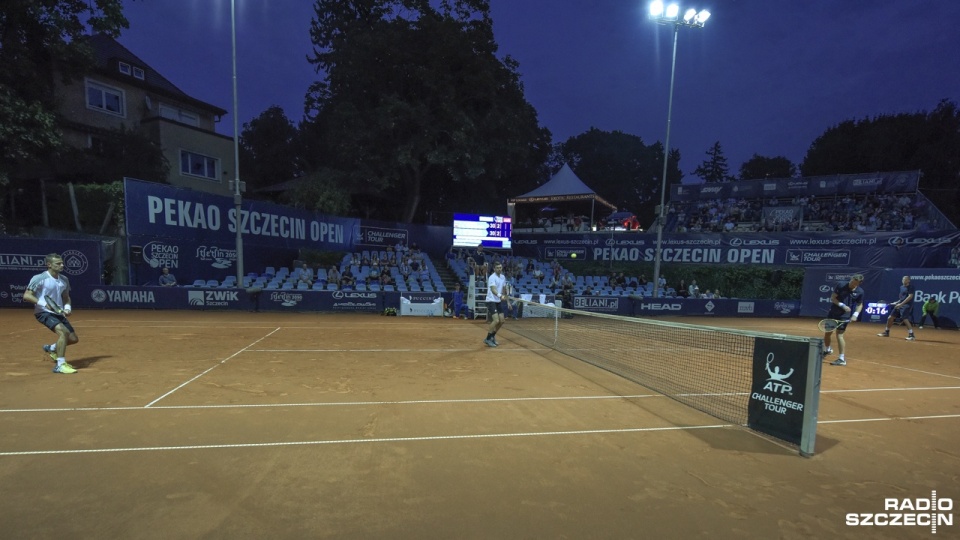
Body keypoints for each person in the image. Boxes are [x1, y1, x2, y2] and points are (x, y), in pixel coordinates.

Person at [23, 253, 80, 374]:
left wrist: (68, 308)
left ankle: (51, 348)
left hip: (58, 313)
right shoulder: (39, 278)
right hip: (43, 312)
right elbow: (27, 295)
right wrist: (44, 304)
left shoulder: (64, 279)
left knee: (74, 339)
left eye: (62, 263)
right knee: (63, 332)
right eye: (58, 263)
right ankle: (60, 365)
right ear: (49, 265)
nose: (62, 265)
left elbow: (66, 297)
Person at [824, 273, 864, 366]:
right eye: (851, 282)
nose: (852, 284)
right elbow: (833, 298)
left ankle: (842, 359)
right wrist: (842, 305)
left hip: (844, 316)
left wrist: (855, 314)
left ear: (859, 283)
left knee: (839, 335)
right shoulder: (841, 285)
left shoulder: (860, 292)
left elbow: (860, 304)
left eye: (854, 283)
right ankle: (827, 349)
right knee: (827, 333)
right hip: (833, 313)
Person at [878, 275, 916, 341]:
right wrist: (896, 302)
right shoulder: (901, 287)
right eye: (903, 279)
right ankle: (886, 332)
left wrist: (901, 304)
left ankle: (911, 335)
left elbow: (910, 297)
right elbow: (901, 298)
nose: (903, 280)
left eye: (905, 279)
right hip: (900, 304)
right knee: (890, 317)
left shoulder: (911, 287)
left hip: (907, 305)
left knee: (905, 319)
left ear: (909, 280)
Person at [483, 262, 508, 347]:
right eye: (497, 268)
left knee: (502, 321)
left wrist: (507, 300)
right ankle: (487, 338)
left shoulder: (503, 277)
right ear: (494, 269)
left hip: (498, 301)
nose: (499, 269)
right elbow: (493, 290)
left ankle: (492, 336)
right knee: (496, 320)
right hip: (491, 300)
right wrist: (500, 295)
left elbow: (504, 289)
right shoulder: (492, 277)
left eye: (500, 267)